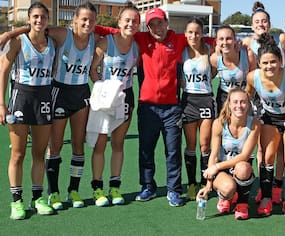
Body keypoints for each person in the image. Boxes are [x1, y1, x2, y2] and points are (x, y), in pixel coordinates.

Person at [93, 7, 214, 207]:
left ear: (167, 23)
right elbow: (114, 31)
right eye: (152, 24)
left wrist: (236, 41)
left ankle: (174, 190)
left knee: (173, 151)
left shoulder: (178, 40)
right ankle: (147, 186)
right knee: (146, 150)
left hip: (172, 108)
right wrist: (86, 26)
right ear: (147, 27)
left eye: (160, 23)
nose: (157, 27)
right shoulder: (141, 38)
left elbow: (203, 40)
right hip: (147, 107)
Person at [0, 2, 56, 219]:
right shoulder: (18, 42)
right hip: (20, 99)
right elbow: (3, 71)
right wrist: (2, 104)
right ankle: (16, 201)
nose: (39, 20)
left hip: (43, 99)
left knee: (39, 153)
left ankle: (38, 197)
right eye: (35, 17)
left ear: (47, 19)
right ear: (28, 19)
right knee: (18, 153)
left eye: (43, 17)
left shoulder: (53, 42)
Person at [245, 33, 285, 216]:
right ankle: (266, 196)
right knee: (267, 157)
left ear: (280, 61)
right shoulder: (252, 77)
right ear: (259, 63)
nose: (269, 66)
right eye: (265, 63)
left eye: (273, 62)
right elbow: (247, 96)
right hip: (270, 118)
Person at [45, 2, 98, 210]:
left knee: (78, 145)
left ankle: (73, 190)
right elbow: (36, 29)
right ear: (75, 19)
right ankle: (53, 193)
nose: (87, 23)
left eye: (91, 20)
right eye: (84, 19)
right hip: (59, 92)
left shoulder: (95, 39)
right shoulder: (62, 34)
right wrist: (5, 36)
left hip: (81, 94)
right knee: (55, 145)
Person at [88, 3, 139, 207]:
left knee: (118, 144)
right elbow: (92, 69)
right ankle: (97, 188)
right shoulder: (106, 42)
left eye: (135, 21)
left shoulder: (137, 45)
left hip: (126, 97)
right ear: (119, 22)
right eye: (127, 20)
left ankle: (115, 187)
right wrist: (102, 88)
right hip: (104, 98)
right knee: (100, 144)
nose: (131, 24)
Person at [241, 1, 284, 205]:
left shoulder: (280, 41)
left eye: (264, 21)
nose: (261, 24)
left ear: (269, 23)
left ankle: (277, 185)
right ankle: (261, 185)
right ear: (252, 25)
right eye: (257, 21)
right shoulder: (247, 42)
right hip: (257, 96)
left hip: (279, 94)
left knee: (278, 147)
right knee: (260, 146)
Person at [197, 88, 260, 220]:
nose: (239, 106)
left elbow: (244, 156)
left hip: (240, 167)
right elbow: (213, 154)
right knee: (228, 187)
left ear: (248, 104)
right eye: (235, 102)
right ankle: (225, 196)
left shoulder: (254, 123)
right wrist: (208, 185)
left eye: (243, 102)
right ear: (229, 104)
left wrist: (216, 167)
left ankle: (242, 203)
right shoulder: (219, 123)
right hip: (222, 169)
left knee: (243, 168)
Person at [181, 17, 216, 200]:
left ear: (202, 34)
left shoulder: (210, 51)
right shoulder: (182, 52)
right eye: (190, 32)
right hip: (188, 100)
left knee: (204, 145)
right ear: (185, 34)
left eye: (197, 32)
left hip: (206, 100)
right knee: (191, 145)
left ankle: (206, 182)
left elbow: (216, 70)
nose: (193, 35)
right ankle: (191, 184)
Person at [210, 25, 257, 114]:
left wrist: (246, 98)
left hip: (244, 95)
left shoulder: (247, 54)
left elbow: (254, 80)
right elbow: (211, 76)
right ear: (216, 41)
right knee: (223, 126)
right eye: (221, 39)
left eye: (228, 38)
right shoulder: (214, 59)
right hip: (224, 97)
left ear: (235, 40)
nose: (225, 42)